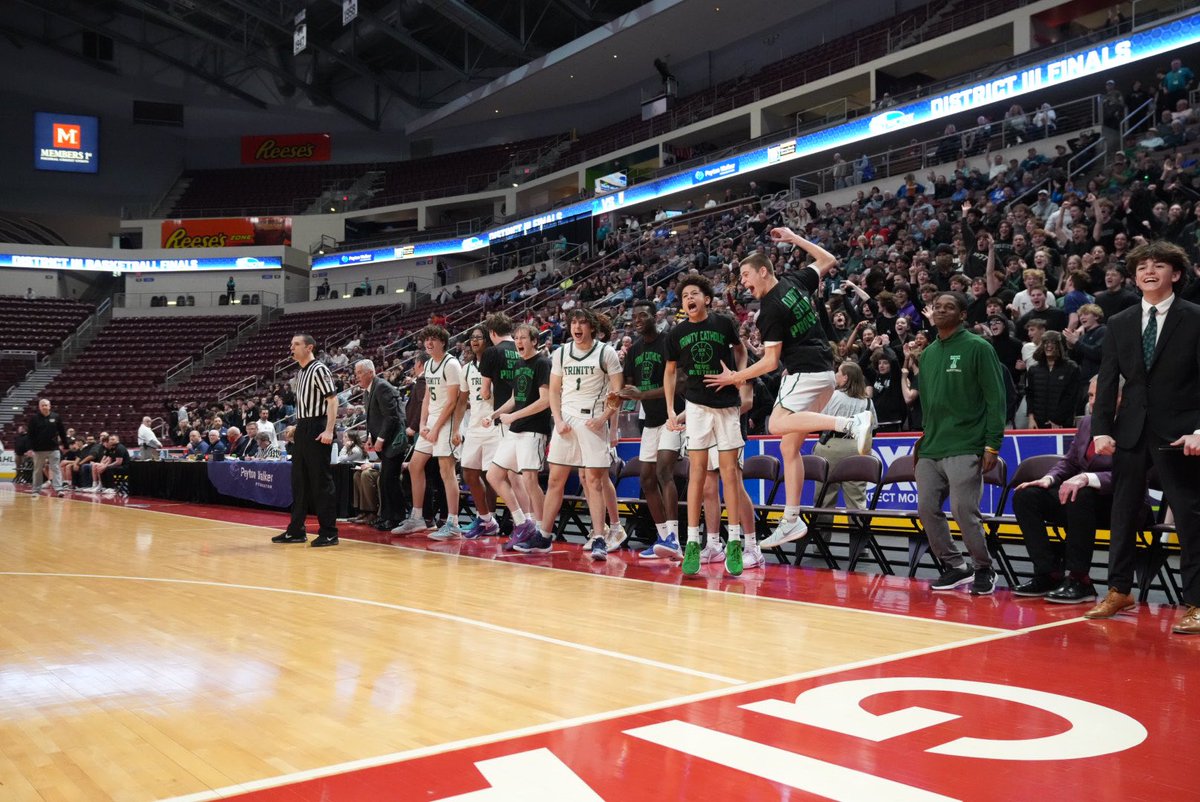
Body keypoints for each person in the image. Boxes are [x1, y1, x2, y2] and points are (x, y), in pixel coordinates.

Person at [706, 228, 873, 550]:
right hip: (826, 370)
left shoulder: (769, 309)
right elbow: (828, 259)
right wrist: (795, 238)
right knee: (788, 448)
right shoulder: (794, 281)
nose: (743, 282)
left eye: (746, 275)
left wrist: (734, 378)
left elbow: (770, 362)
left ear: (764, 271)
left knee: (775, 424)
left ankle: (850, 424)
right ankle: (792, 518)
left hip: (805, 371)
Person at [1087, 241, 1200, 633]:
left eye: (1158, 265)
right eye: (1141, 267)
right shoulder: (1120, 322)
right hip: (1130, 430)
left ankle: (1197, 602)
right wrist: (1101, 428)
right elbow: (1107, 380)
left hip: (1182, 432)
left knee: (1188, 515)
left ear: (1177, 274)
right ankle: (1119, 589)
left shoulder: (1195, 318)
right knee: (1123, 512)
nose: (1148, 271)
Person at [914, 292, 1007, 595]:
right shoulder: (927, 354)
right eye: (937, 307)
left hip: (967, 443)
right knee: (927, 509)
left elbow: (996, 399)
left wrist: (992, 445)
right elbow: (927, 404)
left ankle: (983, 567)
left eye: (949, 307)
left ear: (963, 314)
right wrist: (924, 436)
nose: (941, 310)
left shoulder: (978, 348)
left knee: (963, 509)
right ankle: (955, 567)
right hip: (931, 446)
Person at [664, 275, 750, 577]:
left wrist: (740, 377)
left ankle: (735, 542)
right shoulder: (676, 333)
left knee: (730, 475)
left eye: (695, 293)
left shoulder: (723, 323)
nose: (690, 298)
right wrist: (670, 409)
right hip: (697, 405)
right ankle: (692, 543)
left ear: (706, 299)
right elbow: (670, 372)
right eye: (685, 294)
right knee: (698, 475)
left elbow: (741, 351)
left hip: (726, 404)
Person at [1011, 377, 1122, 604]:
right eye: (1090, 396)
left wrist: (1087, 478)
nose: (1092, 402)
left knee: (1080, 493)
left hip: (1121, 505)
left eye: (1098, 396)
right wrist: (1048, 478)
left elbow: (1131, 473)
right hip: (1082, 504)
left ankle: (1080, 579)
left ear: (1120, 397)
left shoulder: (1134, 425)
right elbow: (1070, 461)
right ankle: (1048, 572)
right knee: (1026, 495)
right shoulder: (1088, 423)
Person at [523, 309, 623, 559]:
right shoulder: (562, 352)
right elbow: (554, 391)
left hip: (593, 419)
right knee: (556, 479)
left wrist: (603, 420)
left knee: (594, 481)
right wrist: (557, 419)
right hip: (565, 419)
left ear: (591, 326)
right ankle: (544, 535)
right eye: (573, 323)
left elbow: (618, 394)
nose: (577, 327)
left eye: (582, 323)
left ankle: (599, 536)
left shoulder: (606, 352)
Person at [620, 299, 683, 559]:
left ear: (655, 317)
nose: (638, 319)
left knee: (664, 472)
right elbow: (628, 385)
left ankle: (675, 540)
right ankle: (663, 536)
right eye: (635, 316)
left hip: (673, 416)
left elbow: (679, 383)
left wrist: (642, 395)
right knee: (646, 478)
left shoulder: (668, 341)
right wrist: (620, 390)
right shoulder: (634, 351)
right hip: (650, 421)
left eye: (643, 314)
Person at [486, 323, 552, 552]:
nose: (519, 341)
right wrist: (494, 414)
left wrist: (513, 417)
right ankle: (524, 523)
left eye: (524, 337)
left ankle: (543, 534)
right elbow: (516, 397)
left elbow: (545, 400)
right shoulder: (518, 363)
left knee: (530, 481)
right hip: (516, 429)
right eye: (516, 338)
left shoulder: (543, 362)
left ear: (534, 340)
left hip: (534, 429)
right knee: (494, 475)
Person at [392, 326, 462, 538]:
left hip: (447, 423)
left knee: (446, 471)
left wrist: (436, 428)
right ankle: (417, 517)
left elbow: (452, 401)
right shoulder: (430, 364)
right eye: (426, 340)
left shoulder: (451, 364)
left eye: (433, 339)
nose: (428, 343)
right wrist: (423, 423)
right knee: (414, 466)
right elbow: (428, 398)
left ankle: (453, 523)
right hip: (430, 422)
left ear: (443, 342)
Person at [271, 333, 339, 547]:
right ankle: (296, 530)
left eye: (296, 344)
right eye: (291, 344)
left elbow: (332, 400)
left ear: (309, 347)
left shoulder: (319, 369)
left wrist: (329, 430)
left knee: (320, 481)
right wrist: (297, 426)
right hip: (304, 427)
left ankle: (329, 532)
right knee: (298, 481)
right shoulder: (301, 373)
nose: (292, 347)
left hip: (318, 427)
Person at [454, 327, 502, 539]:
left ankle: (489, 518)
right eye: (471, 338)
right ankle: (486, 519)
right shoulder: (466, 369)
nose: (474, 341)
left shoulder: (497, 364)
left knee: (490, 476)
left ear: (488, 340)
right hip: (473, 426)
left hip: (494, 424)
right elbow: (462, 401)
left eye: (479, 337)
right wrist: (456, 428)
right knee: (469, 474)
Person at [813, 362, 877, 518]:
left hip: (830, 446)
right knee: (857, 501)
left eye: (838, 372)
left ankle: (821, 540)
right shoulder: (868, 402)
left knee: (824, 500)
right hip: (857, 449)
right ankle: (858, 540)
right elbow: (872, 429)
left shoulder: (832, 395)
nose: (836, 375)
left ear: (845, 378)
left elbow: (816, 419)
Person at [356, 358, 406, 531]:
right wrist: (371, 436)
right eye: (356, 373)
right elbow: (374, 419)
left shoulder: (382, 386)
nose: (357, 377)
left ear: (371, 372)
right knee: (384, 480)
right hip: (385, 443)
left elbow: (392, 417)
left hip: (394, 442)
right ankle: (385, 516)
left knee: (390, 480)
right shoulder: (368, 391)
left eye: (360, 372)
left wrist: (381, 439)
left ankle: (397, 517)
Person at [1024, 331, 1083, 429]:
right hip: (1037, 424)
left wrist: (1057, 420)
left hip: (1062, 425)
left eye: (1053, 343)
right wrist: (1031, 418)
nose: (1049, 346)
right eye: (1046, 342)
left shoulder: (1071, 368)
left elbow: (1072, 398)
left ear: (1060, 346)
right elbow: (1030, 395)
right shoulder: (1033, 369)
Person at [26, 398, 69, 494]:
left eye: (46, 405)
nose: (44, 407)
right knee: (37, 470)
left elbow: (62, 432)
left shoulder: (56, 417)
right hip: (38, 449)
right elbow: (30, 435)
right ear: (39, 407)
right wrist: (29, 448)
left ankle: (59, 489)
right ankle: (36, 490)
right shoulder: (34, 419)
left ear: (49, 406)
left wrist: (66, 446)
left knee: (56, 468)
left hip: (53, 448)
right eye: (42, 405)